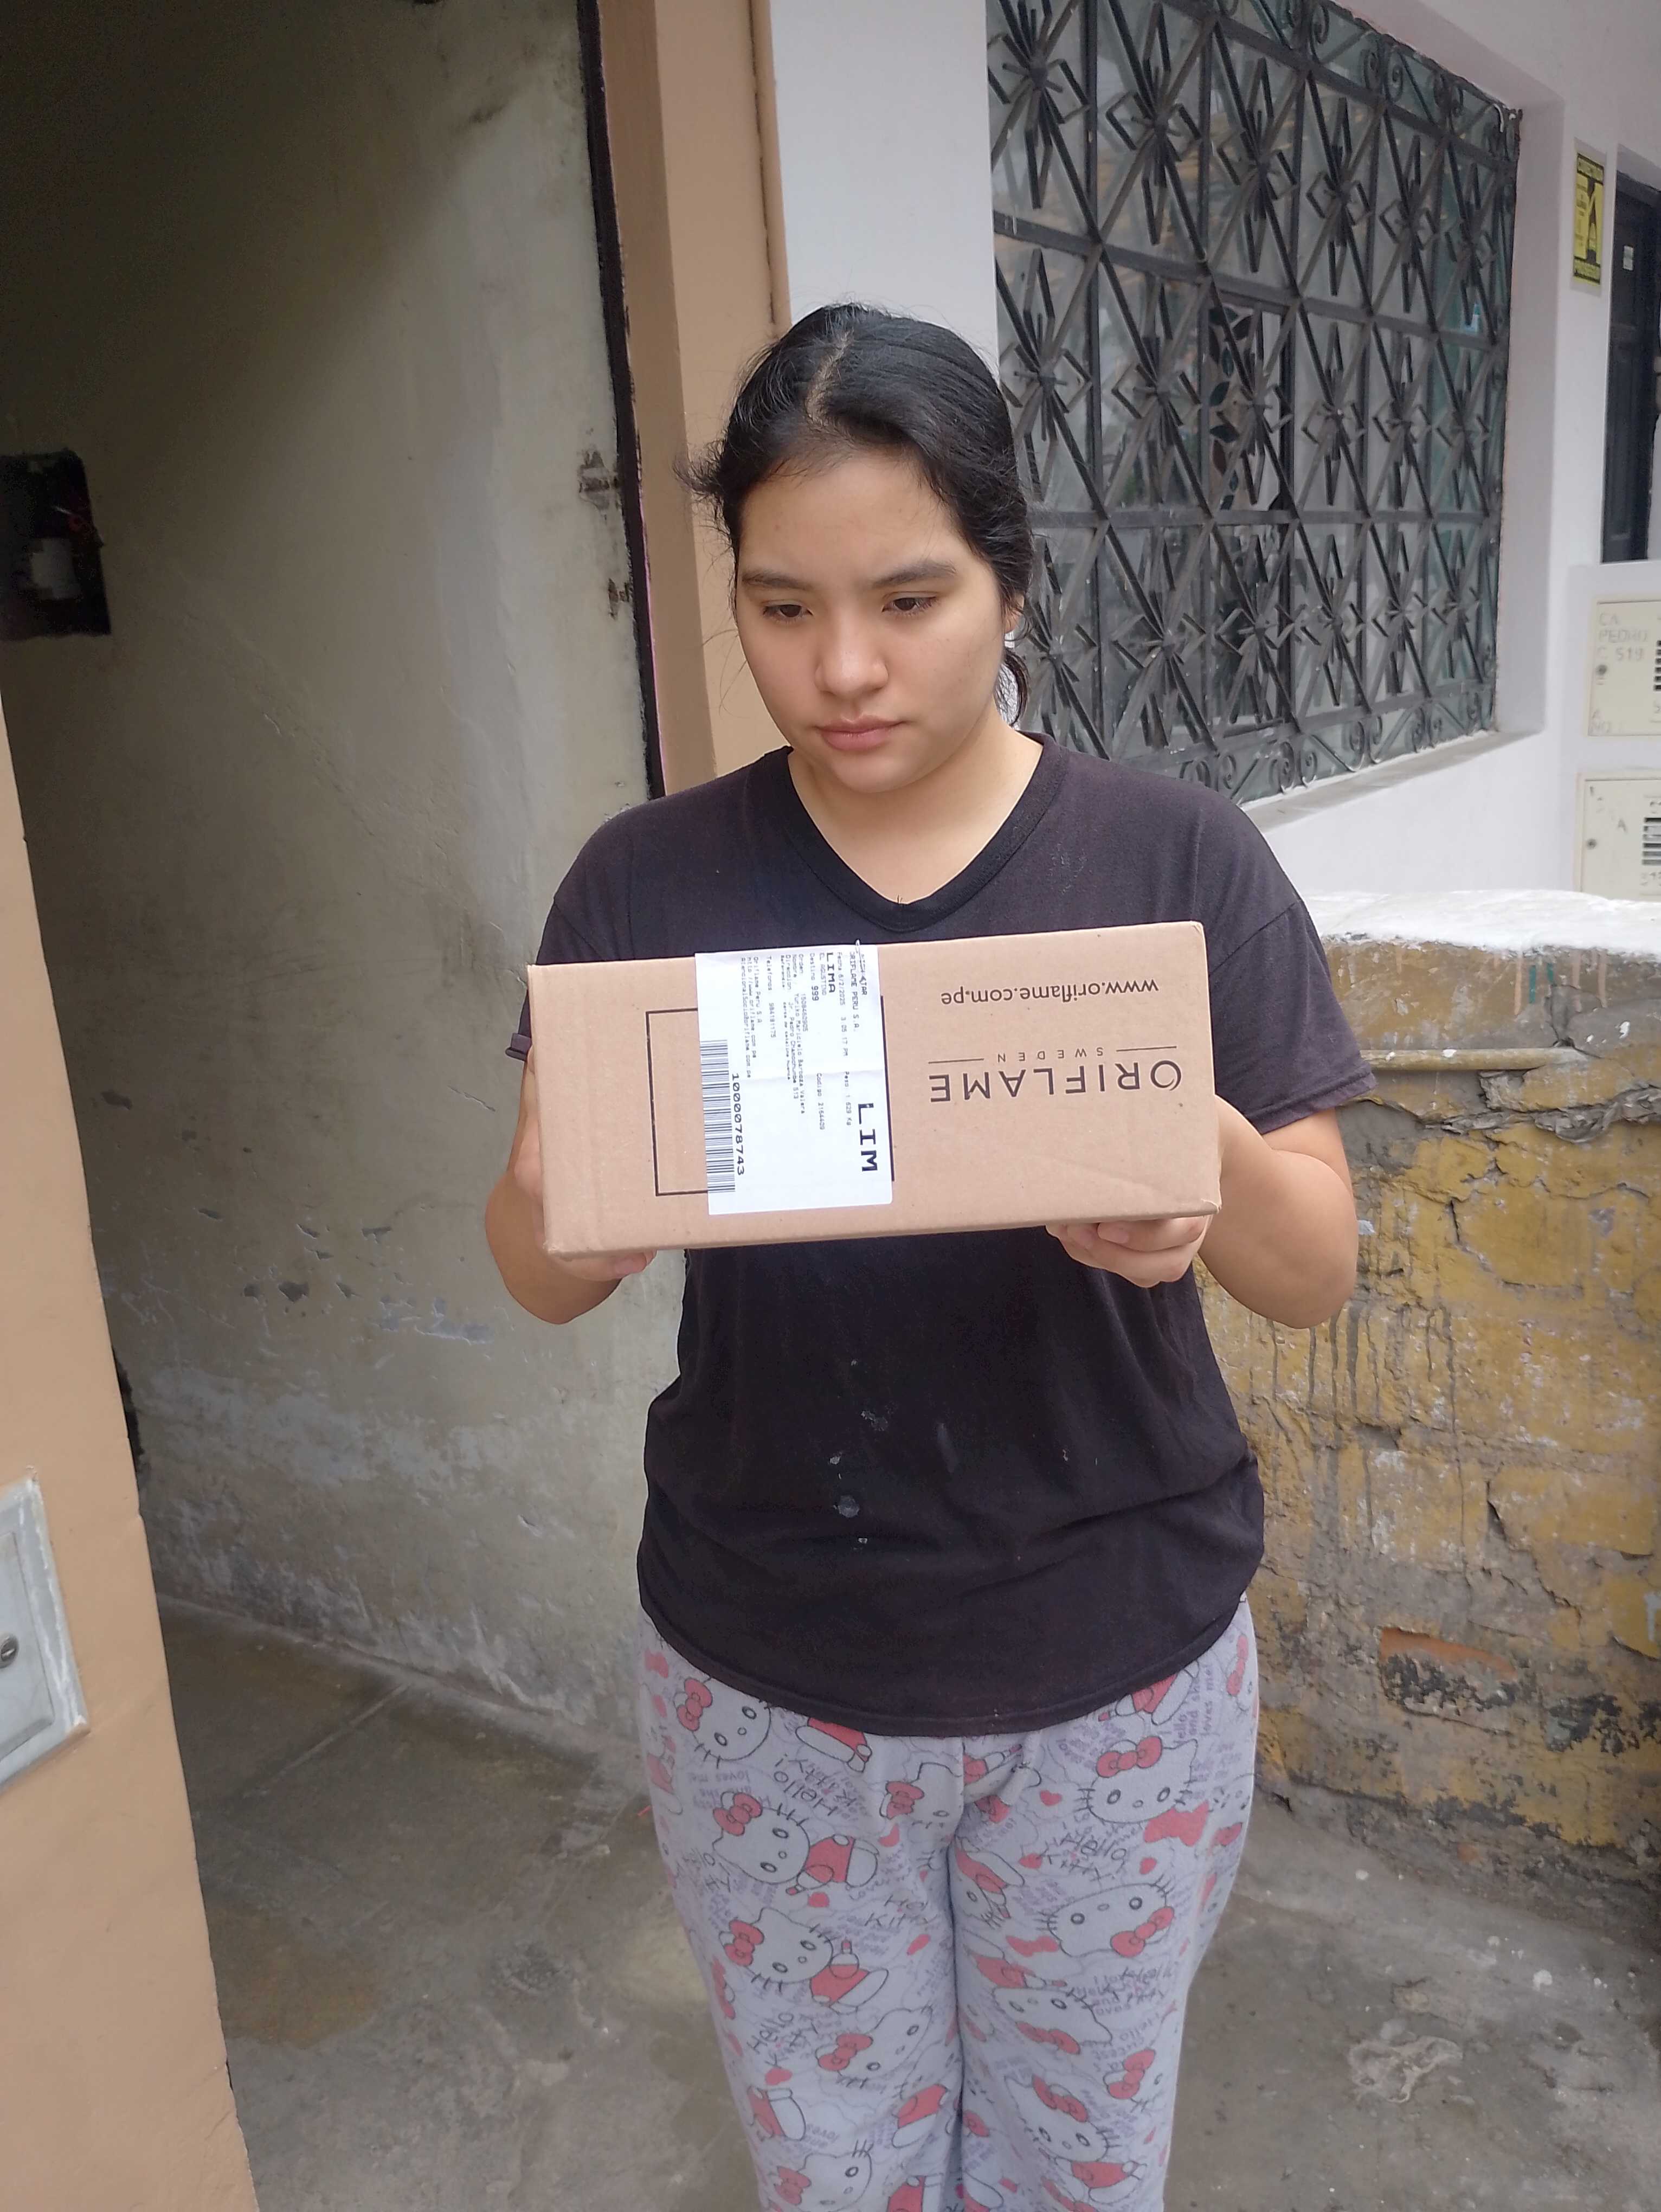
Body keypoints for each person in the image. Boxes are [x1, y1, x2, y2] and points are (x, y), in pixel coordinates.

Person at [485, 304, 1369, 2212]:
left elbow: (1314, 1267)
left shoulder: (1177, 862)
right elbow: (535, 1264)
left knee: (1078, 2166)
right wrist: (581, 1216)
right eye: (781, 606)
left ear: (1012, 582)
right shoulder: (646, 885)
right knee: (835, 2163)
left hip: (1117, 1673)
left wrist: (1193, 1155)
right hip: (769, 1672)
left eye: (909, 598)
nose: (844, 667)